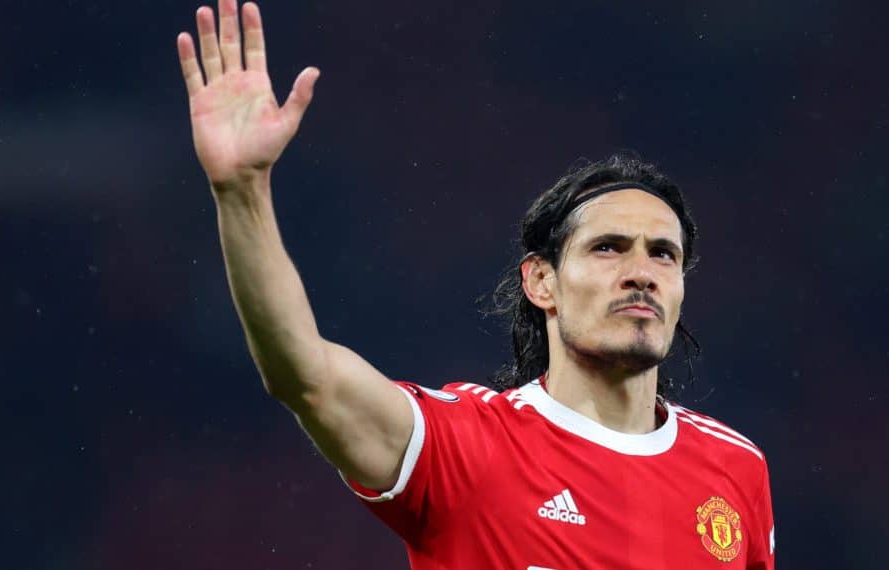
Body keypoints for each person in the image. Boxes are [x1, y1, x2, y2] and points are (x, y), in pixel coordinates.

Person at [176, 1, 775, 567]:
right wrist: (242, 191)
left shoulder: (736, 469)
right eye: (608, 248)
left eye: (663, 255)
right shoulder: (469, 448)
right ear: (542, 281)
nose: (641, 272)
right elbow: (303, 375)